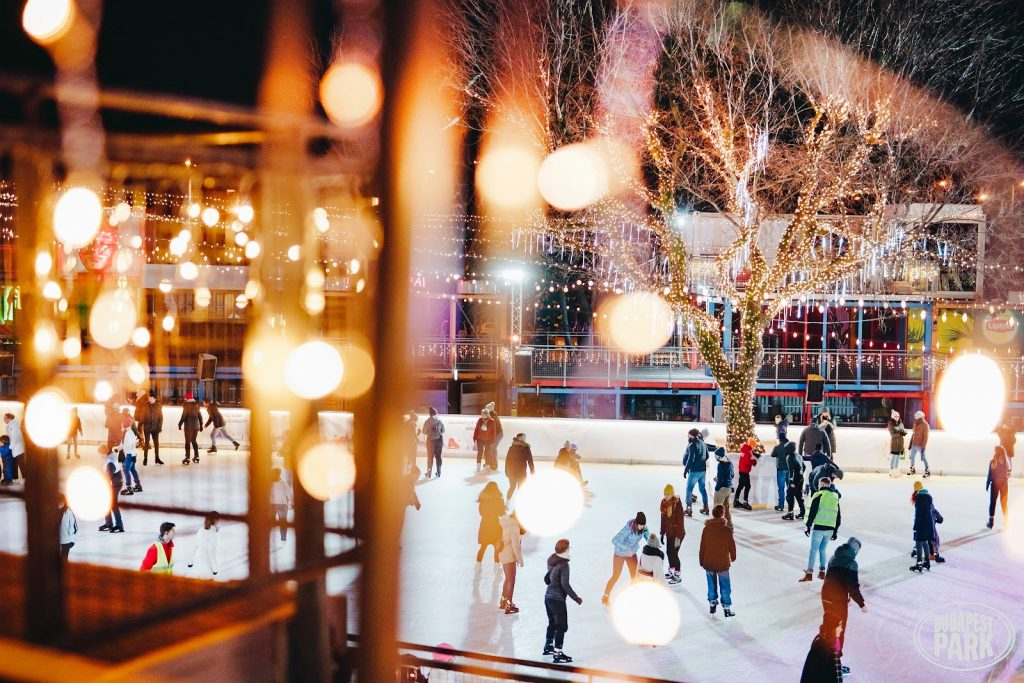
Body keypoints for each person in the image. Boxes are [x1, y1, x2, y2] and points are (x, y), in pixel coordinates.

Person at [821, 537, 865, 673]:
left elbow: (831, 578)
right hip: (837, 601)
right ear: (856, 550)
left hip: (826, 596)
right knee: (838, 632)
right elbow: (853, 587)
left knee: (828, 627)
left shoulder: (833, 558)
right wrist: (862, 604)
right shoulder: (852, 563)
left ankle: (824, 661)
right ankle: (835, 666)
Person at [543, 538, 582, 664]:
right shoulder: (564, 564)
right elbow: (565, 584)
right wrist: (575, 597)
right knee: (561, 626)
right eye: (568, 547)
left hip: (548, 597)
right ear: (565, 549)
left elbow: (550, 577)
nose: (569, 549)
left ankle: (548, 646)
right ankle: (558, 654)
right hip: (557, 599)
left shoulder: (552, 558)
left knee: (552, 623)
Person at [600, 513, 648, 605]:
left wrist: (633, 550)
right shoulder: (627, 530)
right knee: (615, 576)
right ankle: (605, 596)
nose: (642, 527)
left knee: (635, 575)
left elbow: (637, 543)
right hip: (620, 554)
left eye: (643, 525)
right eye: (640, 525)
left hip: (631, 554)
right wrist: (627, 549)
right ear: (636, 523)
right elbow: (614, 540)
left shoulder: (642, 529)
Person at [699, 504, 736, 617]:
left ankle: (712, 604)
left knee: (711, 584)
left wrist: (701, 560)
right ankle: (726, 608)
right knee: (725, 585)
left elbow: (703, 546)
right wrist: (733, 556)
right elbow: (731, 545)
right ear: (722, 514)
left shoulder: (706, 529)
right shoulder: (726, 530)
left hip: (709, 561)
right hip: (722, 563)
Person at [801, 476, 841, 582]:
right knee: (822, 550)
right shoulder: (835, 496)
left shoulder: (819, 495)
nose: (818, 486)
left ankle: (809, 573)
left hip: (819, 528)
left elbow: (813, 511)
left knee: (813, 550)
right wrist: (835, 531)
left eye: (819, 484)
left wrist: (808, 526)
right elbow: (838, 516)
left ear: (822, 484)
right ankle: (822, 572)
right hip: (830, 529)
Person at [800, 614, 845, 683]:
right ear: (832, 628)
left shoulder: (820, 642)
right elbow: (835, 678)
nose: (841, 629)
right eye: (839, 626)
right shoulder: (828, 649)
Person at [911, 484, 943, 572]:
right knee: (925, 542)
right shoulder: (928, 498)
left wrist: (915, 526)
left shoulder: (919, 499)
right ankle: (927, 562)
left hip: (921, 524)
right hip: (929, 524)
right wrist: (939, 516)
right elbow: (933, 510)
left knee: (919, 542)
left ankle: (919, 563)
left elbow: (918, 515)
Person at [498, 513, 524, 614]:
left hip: (502, 553)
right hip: (509, 555)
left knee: (508, 578)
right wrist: (520, 560)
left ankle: (504, 601)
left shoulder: (505, 523)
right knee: (511, 581)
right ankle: (509, 605)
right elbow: (516, 546)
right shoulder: (514, 527)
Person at [659, 484, 685, 584]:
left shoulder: (677, 505)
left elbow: (680, 522)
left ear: (672, 494)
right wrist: (662, 533)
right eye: (665, 494)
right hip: (669, 533)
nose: (666, 496)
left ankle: (677, 575)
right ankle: (671, 571)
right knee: (669, 552)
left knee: (674, 553)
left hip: (678, 534)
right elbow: (663, 521)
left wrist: (678, 537)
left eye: (668, 494)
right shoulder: (664, 504)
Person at [476, 482, 505, 565]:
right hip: (495, 524)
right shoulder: (499, 499)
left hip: (485, 524)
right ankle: (496, 567)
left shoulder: (483, 499)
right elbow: (501, 513)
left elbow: (481, 512)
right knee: (497, 547)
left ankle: (477, 566)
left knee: (483, 547)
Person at [683, 428, 710, 517]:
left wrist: (686, 470)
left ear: (692, 435)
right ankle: (706, 507)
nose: (688, 437)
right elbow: (707, 456)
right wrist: (701, 462)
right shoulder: (703, 443)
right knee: (702, 489)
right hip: (703, 471)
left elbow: (690, 459)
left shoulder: (692, 445)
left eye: (689, 435)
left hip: (694, 471)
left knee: (689, 489)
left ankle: (689, 508)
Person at [98, 445, 125, 533]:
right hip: (116, 483)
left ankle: (119, 525)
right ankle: (109, 523)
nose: (99, 456)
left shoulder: (109, 462)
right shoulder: (112, 455)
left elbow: (109, 475)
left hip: (115, 485)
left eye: (99, 454)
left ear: (103, 453)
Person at [187, 512, 221, 577]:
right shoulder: (213, 533)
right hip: (206, 568)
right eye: (218, 519)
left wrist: (190, 563)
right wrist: (215, 570)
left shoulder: (200, 530)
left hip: (196, 566)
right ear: (215, 520)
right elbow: (211, 552)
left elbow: (194, 547)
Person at [986, 445, 1012, 529]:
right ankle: (1006, 522)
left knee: (992, 502)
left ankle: (991, 523)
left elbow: (990, 474)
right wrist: (1005, 478)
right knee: (1004, 503)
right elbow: (1008, 474)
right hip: (1004, 485)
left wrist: (987, 484)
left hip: (995, 485)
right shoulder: (1006, 462)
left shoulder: (993, 461)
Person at [504, 433, 535, 500]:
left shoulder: (512, 448)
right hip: (520, 472)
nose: (525, 438)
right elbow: (530, 460)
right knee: (520, 488)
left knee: (513, 487)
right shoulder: (526, 448)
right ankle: (514, 502)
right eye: (524, 437)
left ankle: (507, 503)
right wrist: (532, 471)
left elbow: (507, 460)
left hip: (512, 471)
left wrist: (506, 471)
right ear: (520, 438)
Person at [782, 441, 807, 520]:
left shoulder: (789, 457)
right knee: (799, 495)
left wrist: (791, 481)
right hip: (801, 478)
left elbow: (791, 470)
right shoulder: (798, 455)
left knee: (789, 495)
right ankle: (803, 512)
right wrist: (800, 474)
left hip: (795, 479)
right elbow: (804, 466)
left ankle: (790, 513)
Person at [178, 392, 203, 465]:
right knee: (194, 441)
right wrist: (201, 425)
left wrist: (180, 424)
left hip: (188, 426)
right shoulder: (196, 405)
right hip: (196, 426)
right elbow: (200, 416)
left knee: (187, 442)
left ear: (187, 398)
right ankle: (197, 457)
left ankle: (187, 457)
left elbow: (184, 416)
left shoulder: (186, 405)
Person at [712, 447, 734, 526]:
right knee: (726, 509)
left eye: (716, 455)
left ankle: (717, 527)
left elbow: (721, 479)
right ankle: (729, 525)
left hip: (721, 490)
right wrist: (718, 478)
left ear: (719, 456)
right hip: (728, 488)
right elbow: (732, 475)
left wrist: (716, 488)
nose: (715, 457)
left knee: (717, 510)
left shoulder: (720, 465)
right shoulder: (729, 463)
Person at [420, 407, 444, 478]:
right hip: (439, 441)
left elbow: (423, 432)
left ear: (429, 413)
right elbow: (443, 431)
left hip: (430, 441)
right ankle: (439, 472)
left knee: (430, 457)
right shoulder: (439, 421)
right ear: (435, 413)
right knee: (438, 456)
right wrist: (438, 432)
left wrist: (429, 432)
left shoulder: (427, 421)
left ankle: (429, 473)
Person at [141, 390, 164, 466]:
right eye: (149, 398)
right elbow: (142, 416)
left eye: (151, 398)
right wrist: (140, 425)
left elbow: (160, 418)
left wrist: (159, 427)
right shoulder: (145, 406)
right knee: (146, 444)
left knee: (156, 444)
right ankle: (145, 459)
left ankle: (157, 458)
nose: (149, 399)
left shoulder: (158, 406)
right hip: (147, 428)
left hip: (155, 428)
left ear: (154, 399)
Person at [120, 419, 142, 495]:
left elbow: (128, 446)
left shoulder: (128, 433)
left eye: (123, 423)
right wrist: (118, 448)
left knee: (126, 470)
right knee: (132, 469)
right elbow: (127, 444)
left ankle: (129, 488)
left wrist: (123, 449)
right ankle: (138, 486)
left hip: (129, 454)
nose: (122, 424)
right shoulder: (129, 432)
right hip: (133, 454)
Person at [770, 434, 791, 511]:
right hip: (789, 469)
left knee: (781, 488)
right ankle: (790, 505)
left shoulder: (777, 447)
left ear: (779, 439)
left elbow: (772, 455)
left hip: (781, 470)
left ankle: (781, 505)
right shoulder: (789, 447)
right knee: (790, 488)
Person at [271, 467, 292, 542]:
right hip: (277, 505)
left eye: (278, 474)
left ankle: (281, 538)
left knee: (278, 522)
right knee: (278, 522)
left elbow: (289, 494)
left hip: (278, 505)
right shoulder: (282, 483)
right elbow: (289, 494)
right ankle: (279, 538)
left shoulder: (282, 483)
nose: (278, 475)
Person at [472, 408, 496, 472]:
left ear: (487, 414)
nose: (482, 415)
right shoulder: (480, 420)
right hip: (480, 439)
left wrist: (493, 440)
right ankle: (478, 466)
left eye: (483, 414)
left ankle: (487, 466)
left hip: (488, 440)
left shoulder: (492, 421)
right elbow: (476, 429)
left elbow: (493, 432)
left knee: (488, 453)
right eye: (481, 414)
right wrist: (474, 438)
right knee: (480, 452)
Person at [734, 441, 756, 510]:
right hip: (745, 472)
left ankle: (736, 501)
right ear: (751, 445)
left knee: (740, 485)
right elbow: (748, 462)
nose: (754, 447)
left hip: (741, 471)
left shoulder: (744, 450)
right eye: (754, 445)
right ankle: (745, 502)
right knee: (748, 486)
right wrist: (754, 461)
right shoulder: (748, 452)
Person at [4, 412, 25, 481]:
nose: (4, 420)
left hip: (18, 448)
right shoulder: (9, 425)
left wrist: (10, 447)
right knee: (15, 464)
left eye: (5, 418)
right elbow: (10, 436)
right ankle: (15, 479)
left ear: (9, 418)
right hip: (15, 448)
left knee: (22, 464)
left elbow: (15, 436)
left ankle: (26, 479)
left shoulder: (14, 424)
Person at [909, 410, 930, 477]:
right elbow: (913, 432)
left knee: (923, 458)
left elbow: (926, 437)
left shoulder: (925, 424)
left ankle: (927, 471)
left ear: (919, 417)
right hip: (914, 444)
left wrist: (923, 446)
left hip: (920, 445)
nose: (915, 417)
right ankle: (912, 469)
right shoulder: (915, 423)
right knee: (912, 457)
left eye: (916, 416)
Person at [887, 410, 907, 477]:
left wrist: (904, 432)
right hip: (894, 443)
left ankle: (896, 470)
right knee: (893, 457)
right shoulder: (890, 423)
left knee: (897, 458)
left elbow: (903, 430)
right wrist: (900, 433)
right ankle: (891, 471)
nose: (897, 418)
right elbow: (892, 434)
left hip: (900, 443)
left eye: (898, 416)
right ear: (892, 417)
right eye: (895, 416)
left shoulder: (900, 423)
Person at [59, 493, 78, 561]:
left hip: (66, 540)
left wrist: (70, 537)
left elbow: (74, 527)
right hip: (56, 540)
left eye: (61, 501)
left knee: (63, 559)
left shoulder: (68, 512)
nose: (60, 503)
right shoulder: (53, 511)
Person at [485, 403, 504, 471]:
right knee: (491, 448)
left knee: (492, 448)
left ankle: (494, 464)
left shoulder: (493, 417)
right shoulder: (492, 414)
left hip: (498, 434)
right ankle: (490, 462)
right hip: (497, 434)